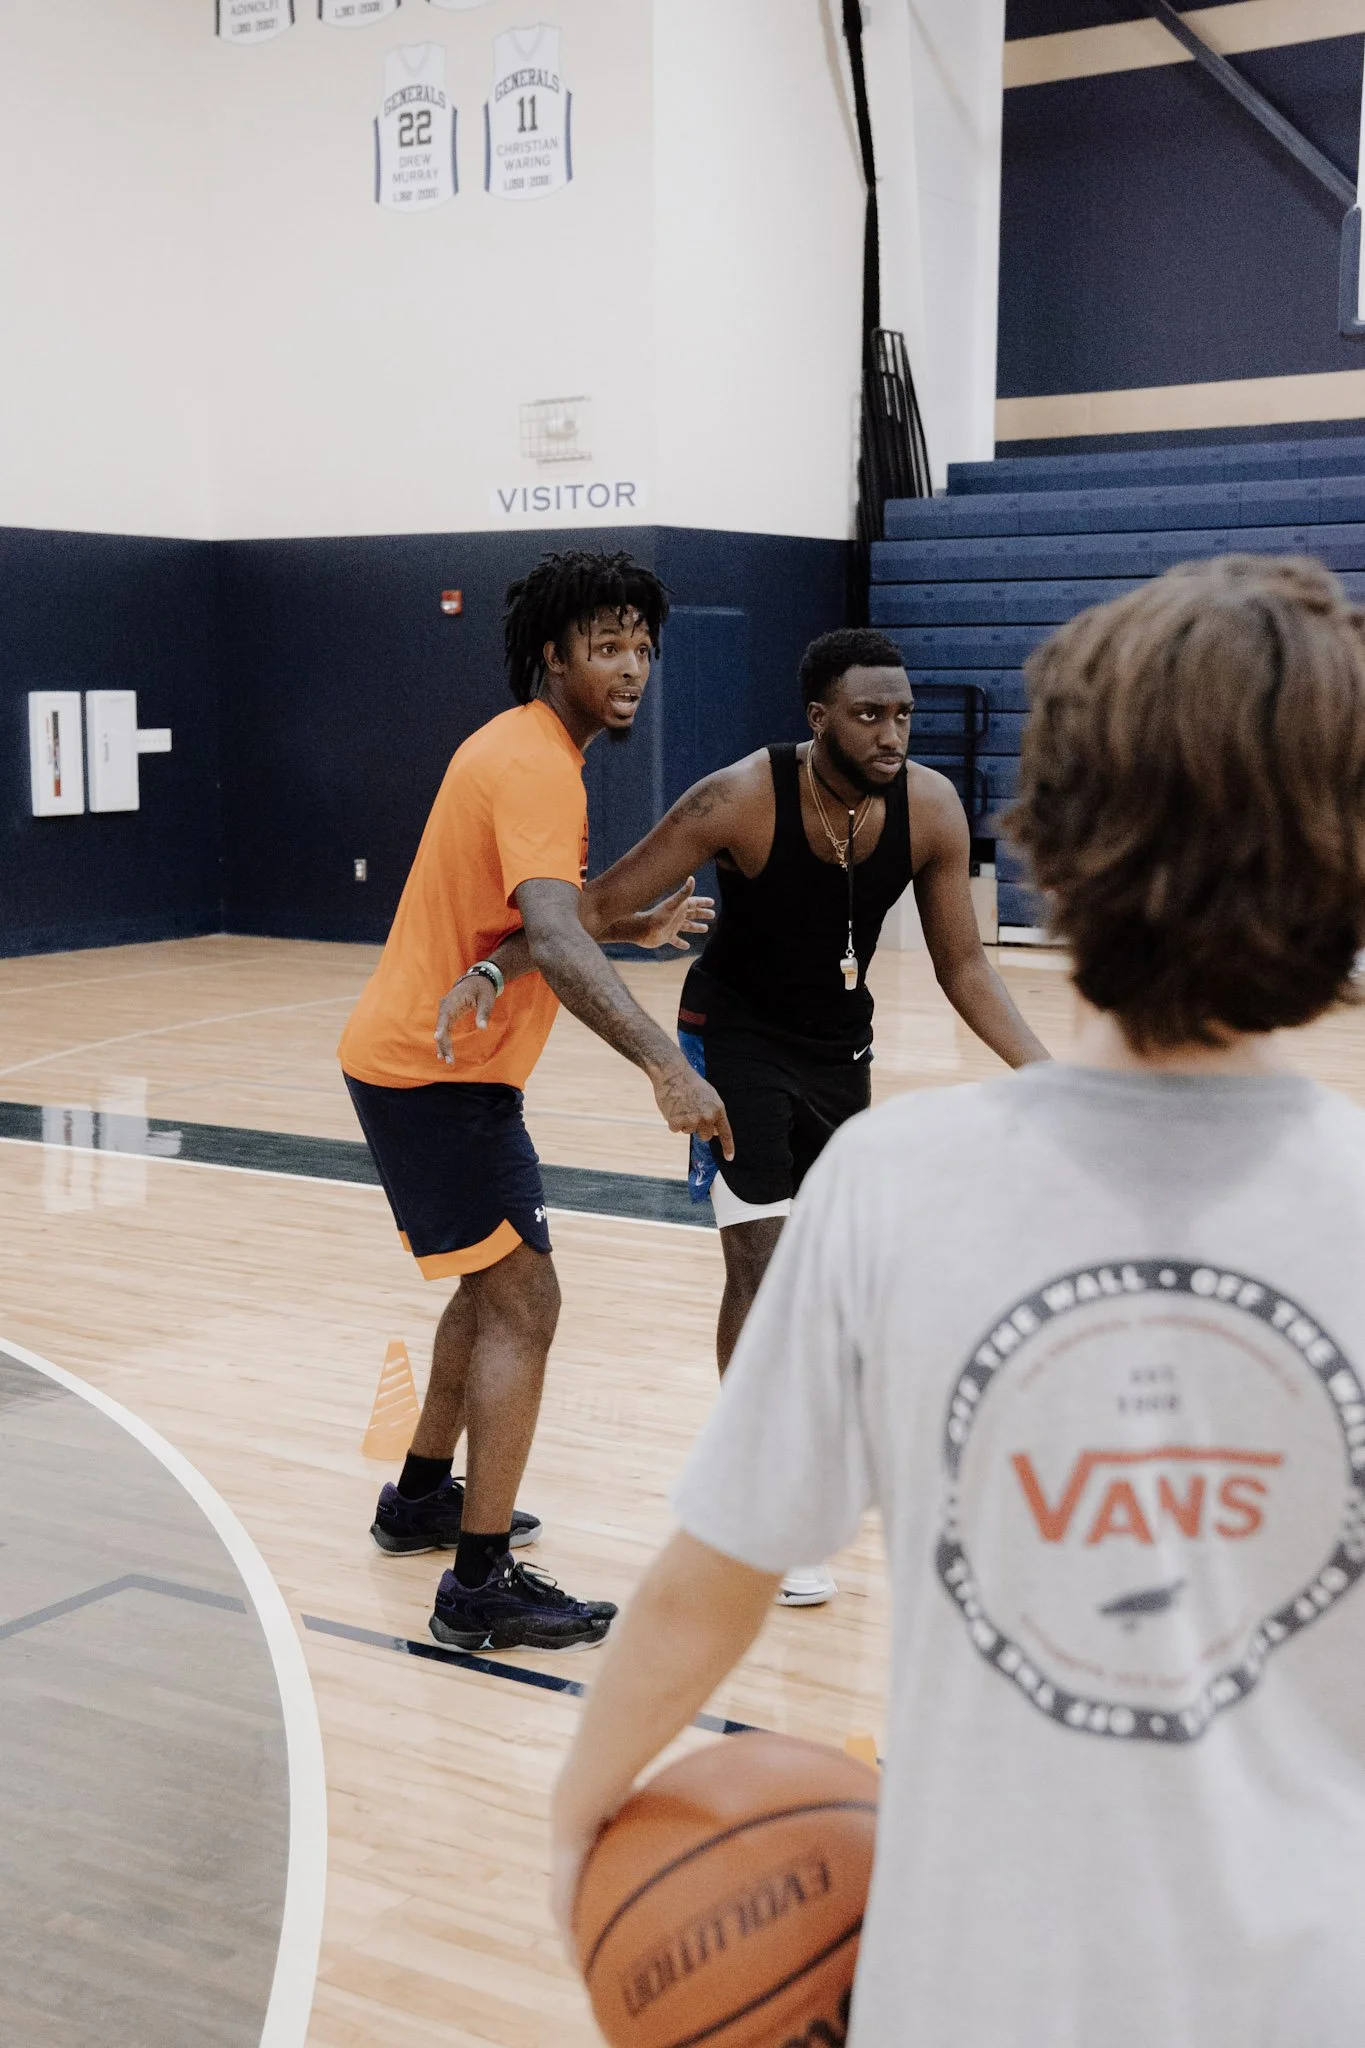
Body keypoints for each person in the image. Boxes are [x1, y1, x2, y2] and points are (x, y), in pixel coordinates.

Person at [551, 555, 1365, 2047]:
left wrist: (582, 1831)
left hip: (970, 1985)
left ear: (1043, 831)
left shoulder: (897, 1180)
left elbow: (703, 1581)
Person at [464, 626, 1048, 1603]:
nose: (891, 733)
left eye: (902, 714)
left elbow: (964, 964)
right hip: (731, 1039)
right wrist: (497, 962)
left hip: (839, 1050)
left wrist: (1045, 1072)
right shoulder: (737, 797)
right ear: (818, 718)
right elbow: (597, 903)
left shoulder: (932, 807)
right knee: (761, 1262)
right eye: (868, 715)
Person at [338, 549, 732, 1655]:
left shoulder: (527, 751)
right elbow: (551, 935)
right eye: (607, 644)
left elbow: (553, 912)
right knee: (527, 1302)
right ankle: (478, 1584)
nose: (633, 665)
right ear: (552, 653)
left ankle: (421, 1496)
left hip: (431, 1063)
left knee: (492, 1279)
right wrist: (664, 1059)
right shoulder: (535, 764)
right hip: (438, 1073)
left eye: (644, 645)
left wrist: (624, 924)